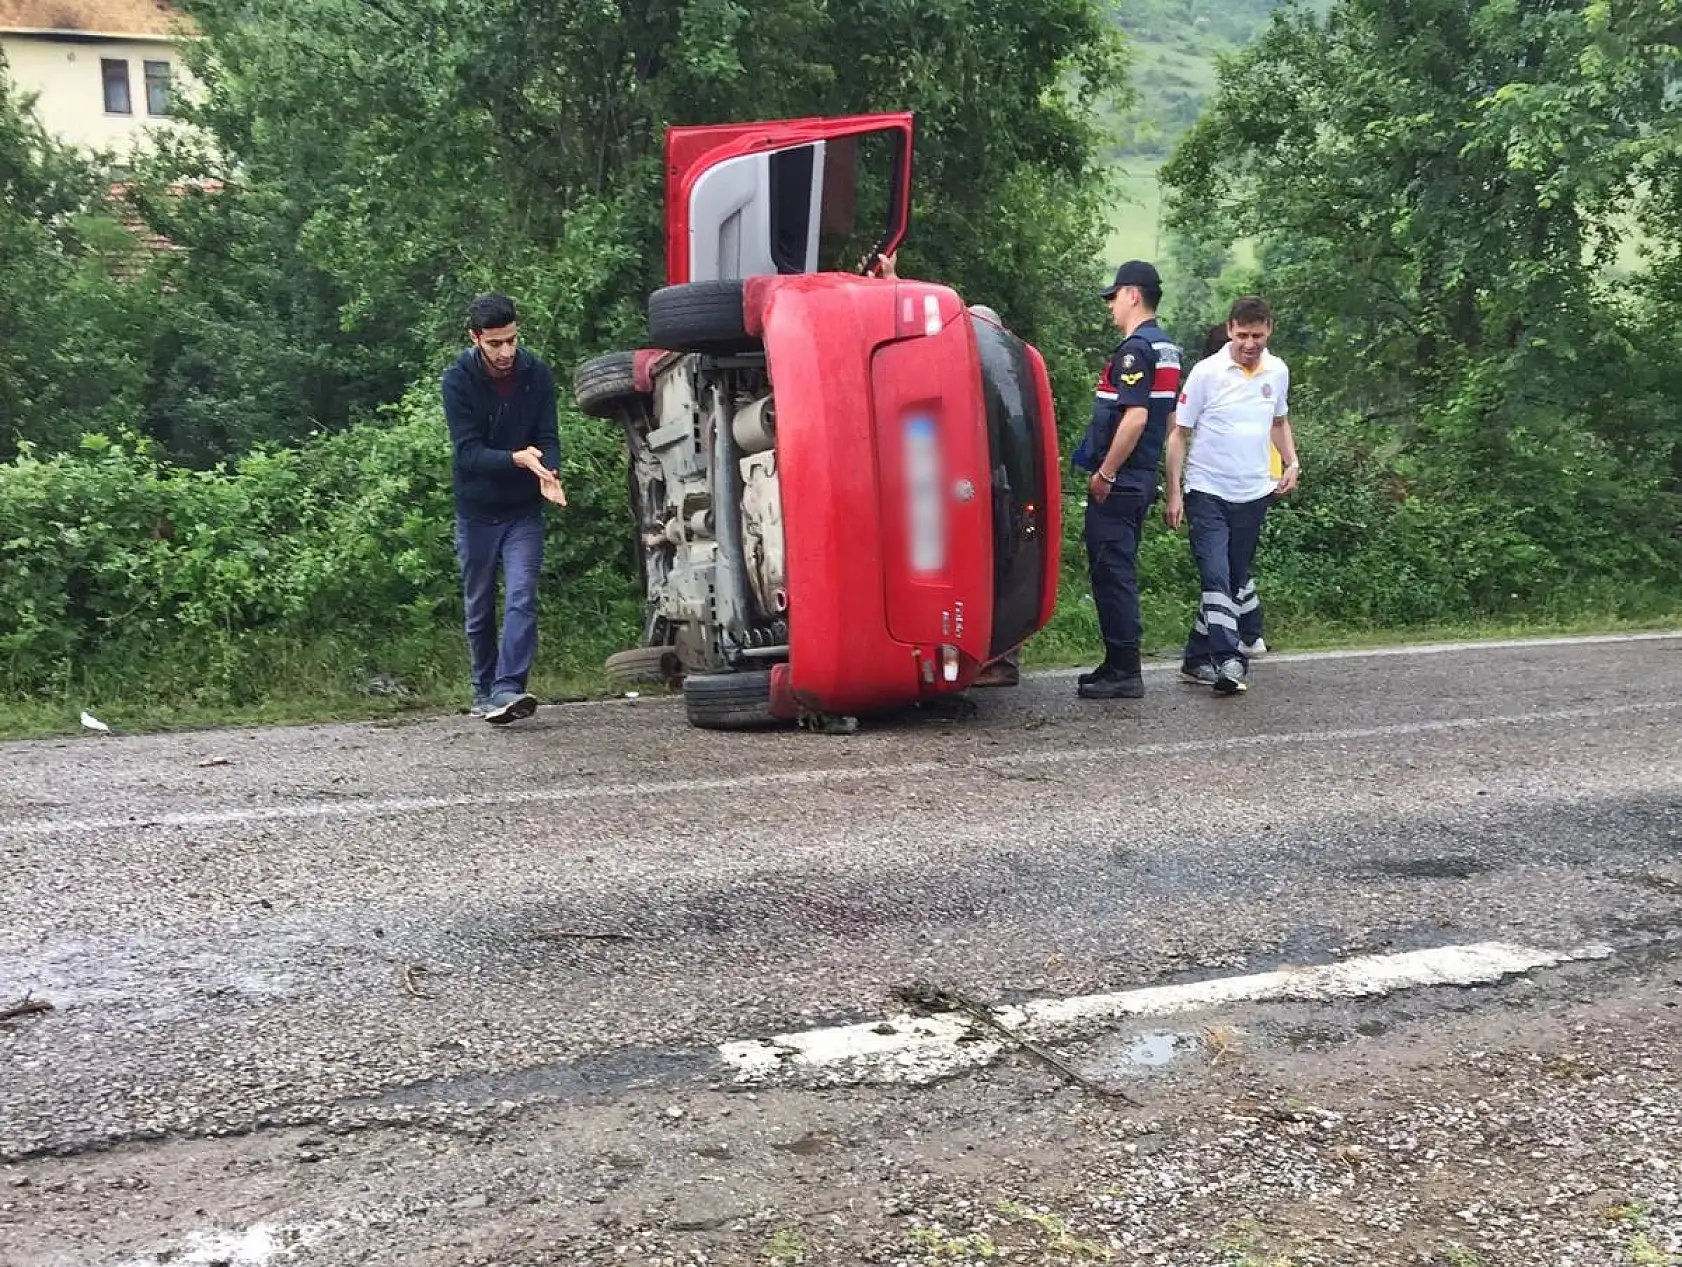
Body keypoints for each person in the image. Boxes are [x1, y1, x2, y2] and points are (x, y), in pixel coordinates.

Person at [872, 251, 1021, 688]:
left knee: (991, 572)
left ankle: (996, 657)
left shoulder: (983, 378)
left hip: (989, 490)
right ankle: (989, 655)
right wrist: (894, 281)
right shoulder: (988, 372)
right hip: (982, 489)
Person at [441, 292, 567, 724]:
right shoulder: (457, 380)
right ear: (475, 338)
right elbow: (467, 453)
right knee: (479, 605)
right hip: (476, 510)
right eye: (495, 344)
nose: (506, 351)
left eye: (512, 340)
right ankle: (483, 690)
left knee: (521, 596)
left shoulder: (537, 374)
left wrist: (549, 473)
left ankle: (507, 688)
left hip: (522, 511)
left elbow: (548, 438)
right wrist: (516, 458)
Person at [1165, 296, 1299, 696]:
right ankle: (1227, 658)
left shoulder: (1277, 371)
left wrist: (1292, 463)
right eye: (1242, 335)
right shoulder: (1206, 373)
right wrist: (1175, 491)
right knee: (1216, 576)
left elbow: (1279, 422)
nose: (1249, 343)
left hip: (1253, 493)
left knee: (1236, 578)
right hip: (1207, 491)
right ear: (1229, 330)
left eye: (1257, 335)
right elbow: (1179, 435)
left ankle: (1194, 658)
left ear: (1269, 330)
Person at [1070, 261, 1182, 700]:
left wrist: (1105, 474)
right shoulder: (1168, 349)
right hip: (1143, 479)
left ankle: (1124, 670)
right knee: (1119, 571)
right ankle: (1117, 663)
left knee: (1112, 573)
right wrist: (1172, 488)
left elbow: (1134, 419)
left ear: (1133, 294)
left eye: (1114, 297)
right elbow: (1173, 423)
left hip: (1121, 482)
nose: (1111, 307)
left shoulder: (1135, 349)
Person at [1200, 322, 1272, 659]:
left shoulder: (1262, 377)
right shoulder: (1220, 378)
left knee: (1228, 571)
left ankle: (1244, 638)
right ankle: (1211, 644)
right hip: (1252, 477)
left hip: (1251, 481)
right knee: (1231, 569)